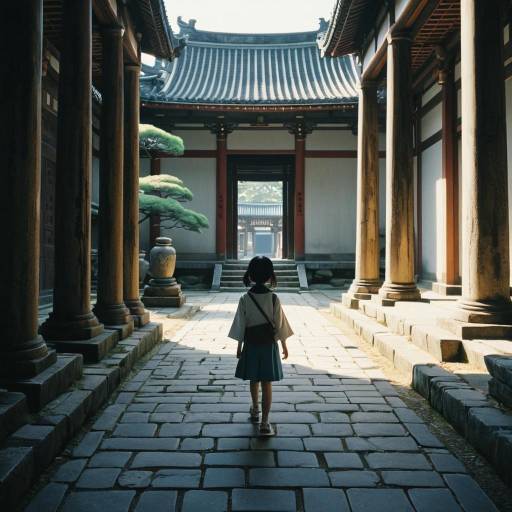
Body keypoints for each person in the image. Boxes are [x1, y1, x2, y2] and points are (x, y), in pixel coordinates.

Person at [228, 256, 293, 436]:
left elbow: (240, 324)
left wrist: (239, 347)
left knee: (253, 379)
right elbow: (279, 324)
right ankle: (265, 422)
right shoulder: (273, 298)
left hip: (251, 343)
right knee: (267, 383)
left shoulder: (245, 298)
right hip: (268, 345)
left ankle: (255, 408)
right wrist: (284, 344)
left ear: (250, 274)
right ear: (270, 276)